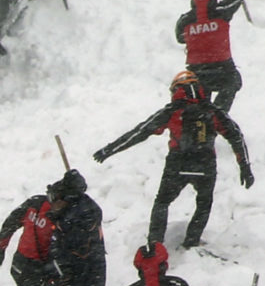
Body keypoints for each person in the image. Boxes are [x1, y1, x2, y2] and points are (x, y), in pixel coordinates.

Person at [95, 73, 254, 250]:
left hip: (177, 165)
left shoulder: (172, 111)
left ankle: (155, 245)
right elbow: (236, 136)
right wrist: (245, 167)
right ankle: (191, 242)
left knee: (162, 203)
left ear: (176, 90)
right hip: (205, 165)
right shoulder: (213, 111)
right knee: (203, 204)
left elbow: (140, 132)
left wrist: (109, 149)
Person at [174, 0, 247, 108]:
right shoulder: (222, 12)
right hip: (223, 69)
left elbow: (180, 38)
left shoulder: (185, 21)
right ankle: (218, 115)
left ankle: (204, 121)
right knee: (234, 81)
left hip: (197, 72)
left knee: (199, 101)